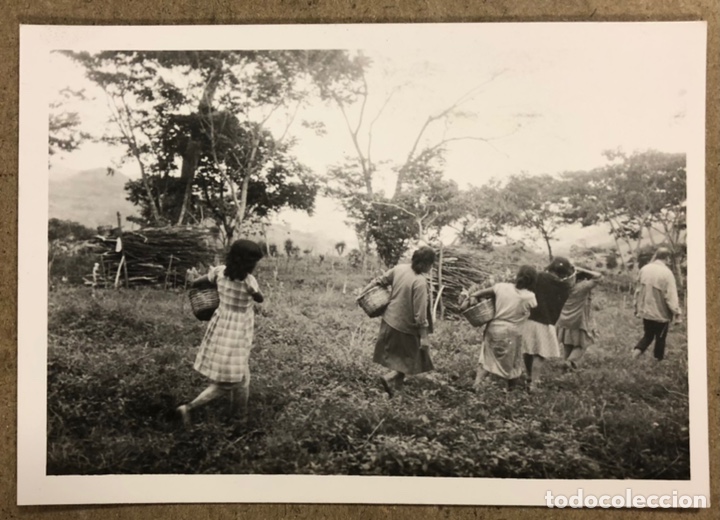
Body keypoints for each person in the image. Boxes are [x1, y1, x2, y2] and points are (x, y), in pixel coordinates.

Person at [176, 239, 265, 428]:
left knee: (242, 375)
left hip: (221, 326)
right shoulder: (250, 281)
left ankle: (239, 417)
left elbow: (198, 282)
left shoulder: (219, 272)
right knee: (232, 380)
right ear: (248, 263)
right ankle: (189, 407)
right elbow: (260, 298)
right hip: (238, 333)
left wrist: (194, 281)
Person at [362, 246, 436, 397]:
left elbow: (379, 281)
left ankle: (397, 391)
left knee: (402, 357)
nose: (431, 267)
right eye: (431, 264)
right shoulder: (420, 282)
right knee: (411, 358)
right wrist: (424, 337)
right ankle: (390, 378)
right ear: (425, 264)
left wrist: (363, 293)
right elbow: (420, 314)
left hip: (389, 320)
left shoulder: (399, 269)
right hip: (406, 327)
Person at [468, 265, 538, 390]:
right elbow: (532, 309)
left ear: (518, 276)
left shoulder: (501, 287)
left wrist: (473, 297)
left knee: (486, 357)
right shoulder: (530, 296)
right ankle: (511, 389)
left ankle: (477, 385)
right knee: (513, 360)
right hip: (513, 331)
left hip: (494, 327)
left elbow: (478, 293)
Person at [521, 256, 575, 391]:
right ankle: (533, 384)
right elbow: (571, 282)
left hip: (529, 319)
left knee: (528, 350)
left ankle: (528, 377)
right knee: (540, 354)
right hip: (546, 322)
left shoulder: (538, 277)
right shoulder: (565, 286)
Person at [631, 247, 681, 361]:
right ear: (667, 258)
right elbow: (671, 296)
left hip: (646, 311)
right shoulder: (667, 273)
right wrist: (677, 313)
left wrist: (636, 307)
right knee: (660, 338)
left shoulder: (644, 269)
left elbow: (637, 291)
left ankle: (634, 356)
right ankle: (658, 361)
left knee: (648, 335)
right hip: (661, 313)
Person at [555, 266, 604, 370]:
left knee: (568, 344)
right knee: (583, 344)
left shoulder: (563, 286)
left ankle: (567, 369)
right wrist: (584, 269)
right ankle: (569, 363)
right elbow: (598, 277)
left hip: (564, 319)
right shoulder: (583, 286)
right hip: (578, 320)